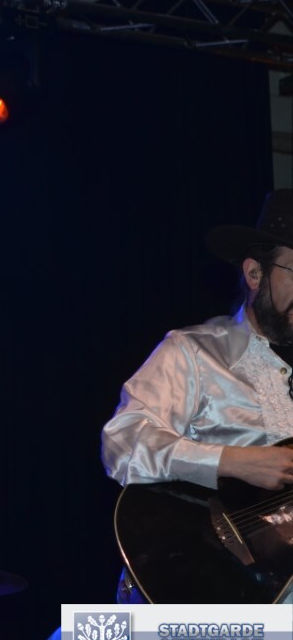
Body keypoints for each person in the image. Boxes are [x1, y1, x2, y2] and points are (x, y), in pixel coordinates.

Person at [100, 189, 293, 601]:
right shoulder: (194, 352)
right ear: (254, 273)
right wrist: (232, 462)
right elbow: (123, 443)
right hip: (203, 585)